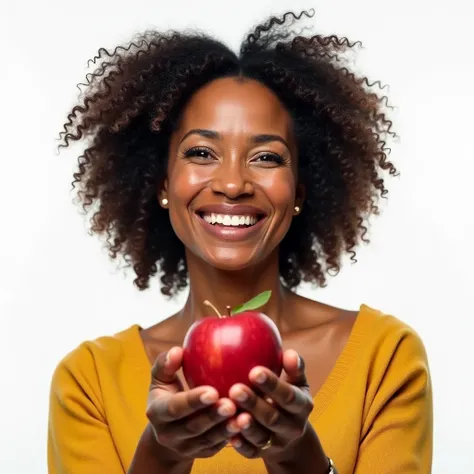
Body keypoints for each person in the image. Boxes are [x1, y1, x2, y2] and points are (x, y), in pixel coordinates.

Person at [48, 10, 433, 474]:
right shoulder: (89, 380)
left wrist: (298, 457)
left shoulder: (384, 357)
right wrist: (162, 455)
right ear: (163, 184)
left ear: (298, 194)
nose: (233, 183)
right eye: (202, 153)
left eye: (266, 156)